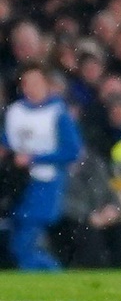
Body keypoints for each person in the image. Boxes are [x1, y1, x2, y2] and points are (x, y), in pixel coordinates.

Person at [4, 67, 82, 270]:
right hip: (18, 182)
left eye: (36, 83)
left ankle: (53, 273)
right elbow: (7, 141)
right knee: (19, 240)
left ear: (47, 85)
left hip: (45, 183)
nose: (31, 88)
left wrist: (36, 158)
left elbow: (72, 151)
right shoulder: (15, 112)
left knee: (23, 242)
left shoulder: (58, 113)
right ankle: (48, 274)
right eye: (27, 83)